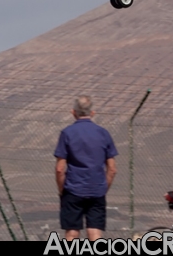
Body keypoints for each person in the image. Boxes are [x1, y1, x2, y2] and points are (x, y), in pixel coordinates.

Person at [54, 95, 117, 241]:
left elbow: (59, 168)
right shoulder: (103, 133)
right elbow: (112, 169)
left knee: (72, 232)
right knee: (95, 232)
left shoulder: (67, 133)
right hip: (97, 189)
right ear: (92, 113)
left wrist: (62, 190)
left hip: (73, 189)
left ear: (73, 112)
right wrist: (102, 188)